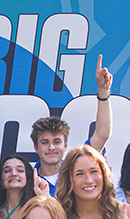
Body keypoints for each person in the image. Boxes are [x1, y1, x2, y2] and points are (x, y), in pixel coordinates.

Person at [29, 56, 115, 196]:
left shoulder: (77, 167)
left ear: (65, 145)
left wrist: (103, 92)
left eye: (57, 142)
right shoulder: (27, 181)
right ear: (35, 148)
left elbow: (102, 134)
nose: (51, 147)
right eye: (45, 142)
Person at [0, 155, 44, 219]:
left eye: (20, 170)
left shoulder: (33, 210)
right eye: (7, 171)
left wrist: (43, 196)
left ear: (27, 177)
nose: (14, 174)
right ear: (1, 181)